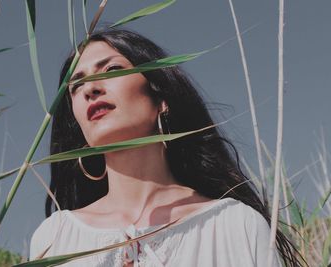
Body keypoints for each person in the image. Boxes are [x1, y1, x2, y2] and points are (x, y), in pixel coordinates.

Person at [30, 29, 302, 266]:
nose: (90, 89)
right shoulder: (55, 239)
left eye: (112, 70)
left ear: (161, 97)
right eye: (76, 85)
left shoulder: (235, 225)